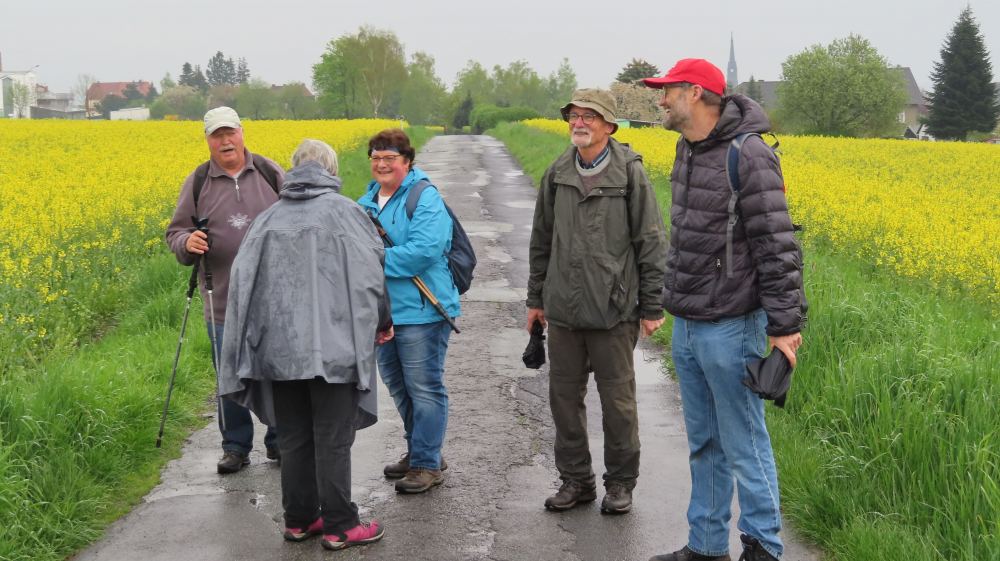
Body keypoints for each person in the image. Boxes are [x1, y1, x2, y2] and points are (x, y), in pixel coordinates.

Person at [641, 59, 806, 561]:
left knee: (744, 442)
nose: (661, 99)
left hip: (732, 325)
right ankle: (706, 546)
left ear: (695, 93)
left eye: (668, 90)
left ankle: (764, 547)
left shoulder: (748, 153)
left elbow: (776, 244)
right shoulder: (687, 148)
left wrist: (784, 328)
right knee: (704, 443)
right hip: (689, 324)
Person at [218, 139, 392, 551]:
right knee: (333, 438)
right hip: (334, 349)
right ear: (331, 171)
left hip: (278, 351)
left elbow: (242, 282)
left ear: (294, 170)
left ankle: (299, 520)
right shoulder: (347, 213)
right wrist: (383, 320)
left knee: (293, 436)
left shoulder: (267, 218)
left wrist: (251, 340)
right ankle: (341, 526)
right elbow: (372, 274)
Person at [526, 89, 668, 515]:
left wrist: (652, 305)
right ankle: (576, 481)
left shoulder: (630, 173)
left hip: (613, 309)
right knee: (563, 399)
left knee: (618, 403)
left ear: (609, 125)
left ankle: (620, 483)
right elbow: (541, 241)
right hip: (563, 311)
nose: (579, 123)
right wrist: (536, 299)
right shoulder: (557, 172)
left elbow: (651, 241)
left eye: (589, 116)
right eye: (574, 115)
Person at [165, 106, 282, 474]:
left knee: (276, 371)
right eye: (217, 135)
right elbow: (175, 233)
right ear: (208, 140)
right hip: (222, 298)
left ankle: (280, 440)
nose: (225, 140)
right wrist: (187, 243)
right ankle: (235, 446)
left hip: (272, 298)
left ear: (242, 133)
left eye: (230, 132)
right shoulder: (198, 181)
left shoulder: (270, 172)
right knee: (229, 377)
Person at [357, 129, 458, 494]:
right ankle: (421, 450)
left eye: (390, 158)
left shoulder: (424, 196)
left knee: (424, 387)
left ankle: (426, 464)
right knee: (399, 388)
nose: (382, 164)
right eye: (376, 158)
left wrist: (373, 258)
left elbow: (424, 251)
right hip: (383, 314)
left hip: (422, 310)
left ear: (407, 162)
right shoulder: (366, 201)